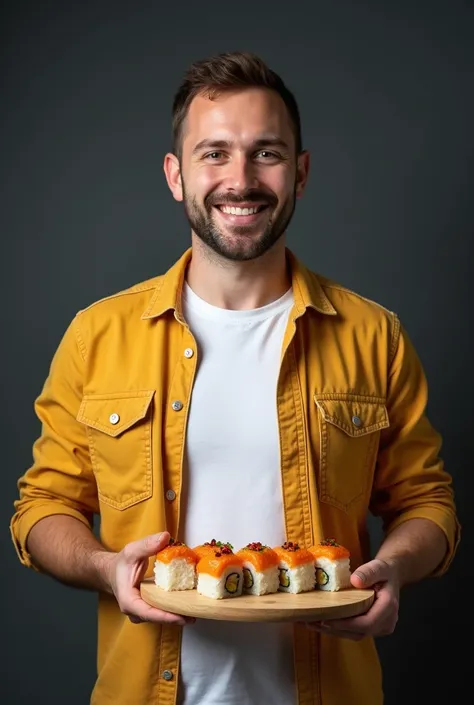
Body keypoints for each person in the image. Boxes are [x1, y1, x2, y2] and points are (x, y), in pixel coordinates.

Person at [10, 51, 460, 705]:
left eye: (266, 153)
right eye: (214, 153)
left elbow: (429, 501)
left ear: (300, 173)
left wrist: (392, 567)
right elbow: (42, 507)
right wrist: (107, 568)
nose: (240, 178)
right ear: (176, 174)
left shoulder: (374, 335)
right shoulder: (97, 334)